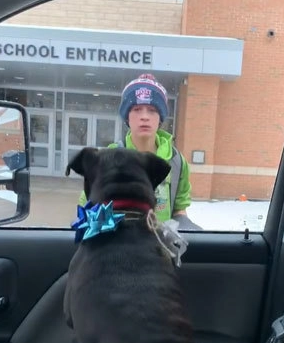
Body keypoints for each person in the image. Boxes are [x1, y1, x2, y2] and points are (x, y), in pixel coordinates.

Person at [77, 73, 198, 228]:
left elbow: (179, 209)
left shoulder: (176, 161)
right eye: (137, 109)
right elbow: (87, 207)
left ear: (160, 118)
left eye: (152, 110)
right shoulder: (107, 158)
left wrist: (187, 227)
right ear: (127, 116)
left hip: (160, 242)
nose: (144, 117)